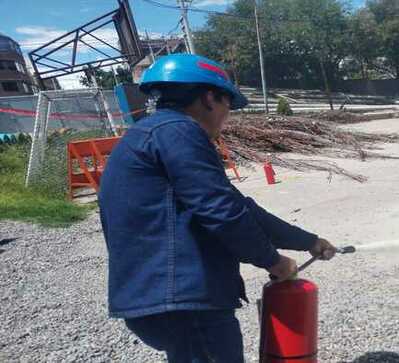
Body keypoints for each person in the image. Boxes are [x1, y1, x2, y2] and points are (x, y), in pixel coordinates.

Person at [98, 53, 337, 362]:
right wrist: (273, 261)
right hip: (184, 299)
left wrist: (308, 241)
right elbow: (220, 210)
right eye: (228, 105)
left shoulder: (150, 135)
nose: (227, 117)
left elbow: (239, 207)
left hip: (161, 296)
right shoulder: (179, 132)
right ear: (209, 98)